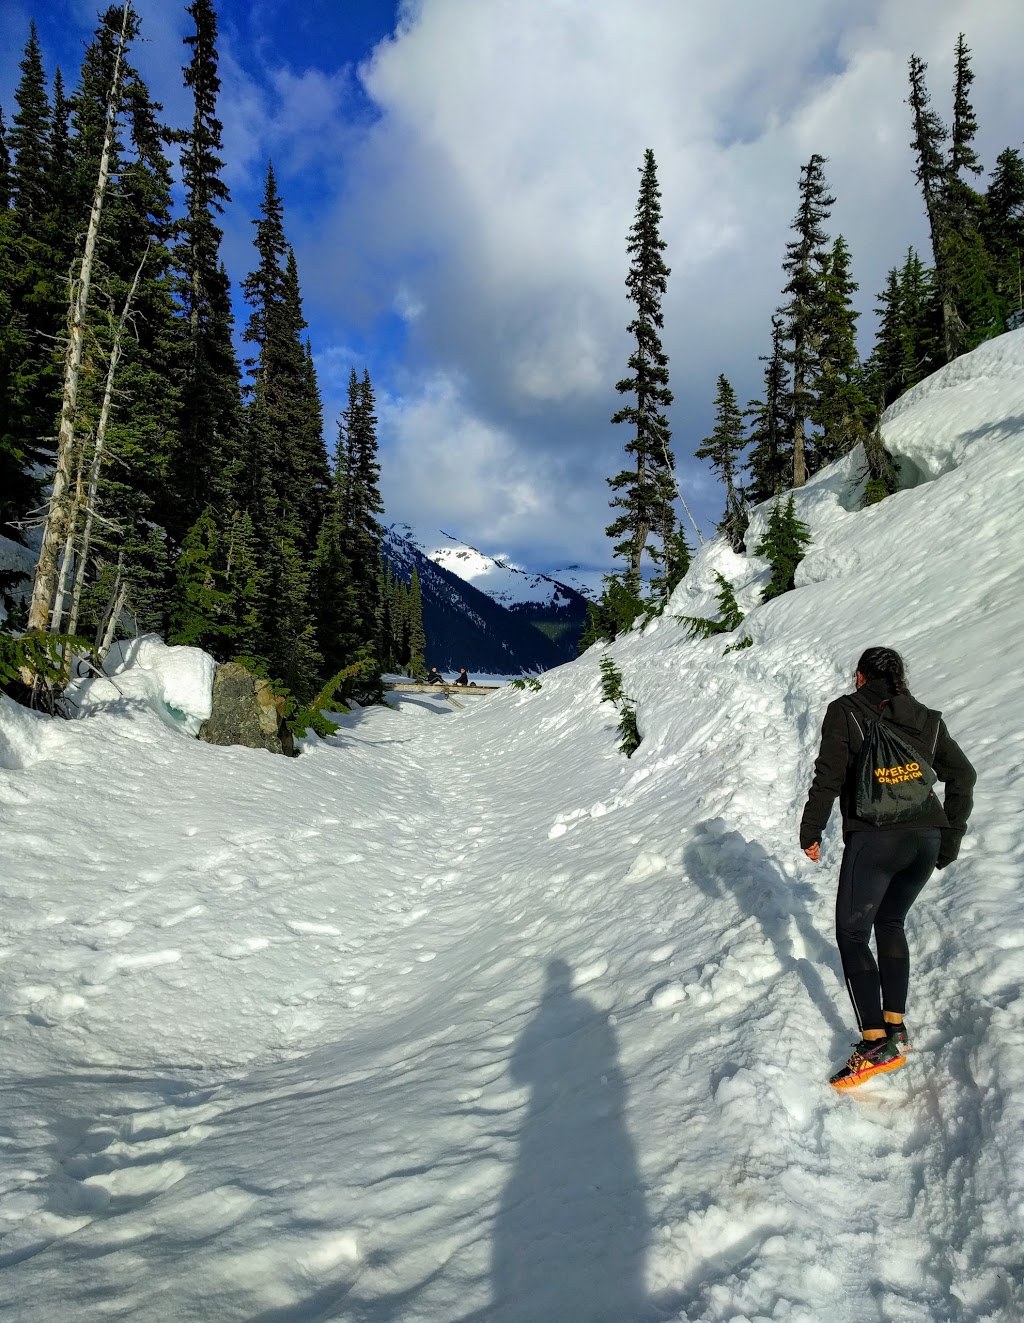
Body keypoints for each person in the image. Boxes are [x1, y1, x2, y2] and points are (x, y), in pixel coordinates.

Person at [800, 646, 975, 1089]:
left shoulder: (846, 711)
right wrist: (948, 837)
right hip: (925, 838)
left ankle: (874, 1043)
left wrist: (811, 828)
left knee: (852, 933)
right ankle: (895, 1027)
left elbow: (829, 776)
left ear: (860, 677)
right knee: (891, 922)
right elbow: (963, 776)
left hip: (876, 839)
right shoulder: (928, 720)